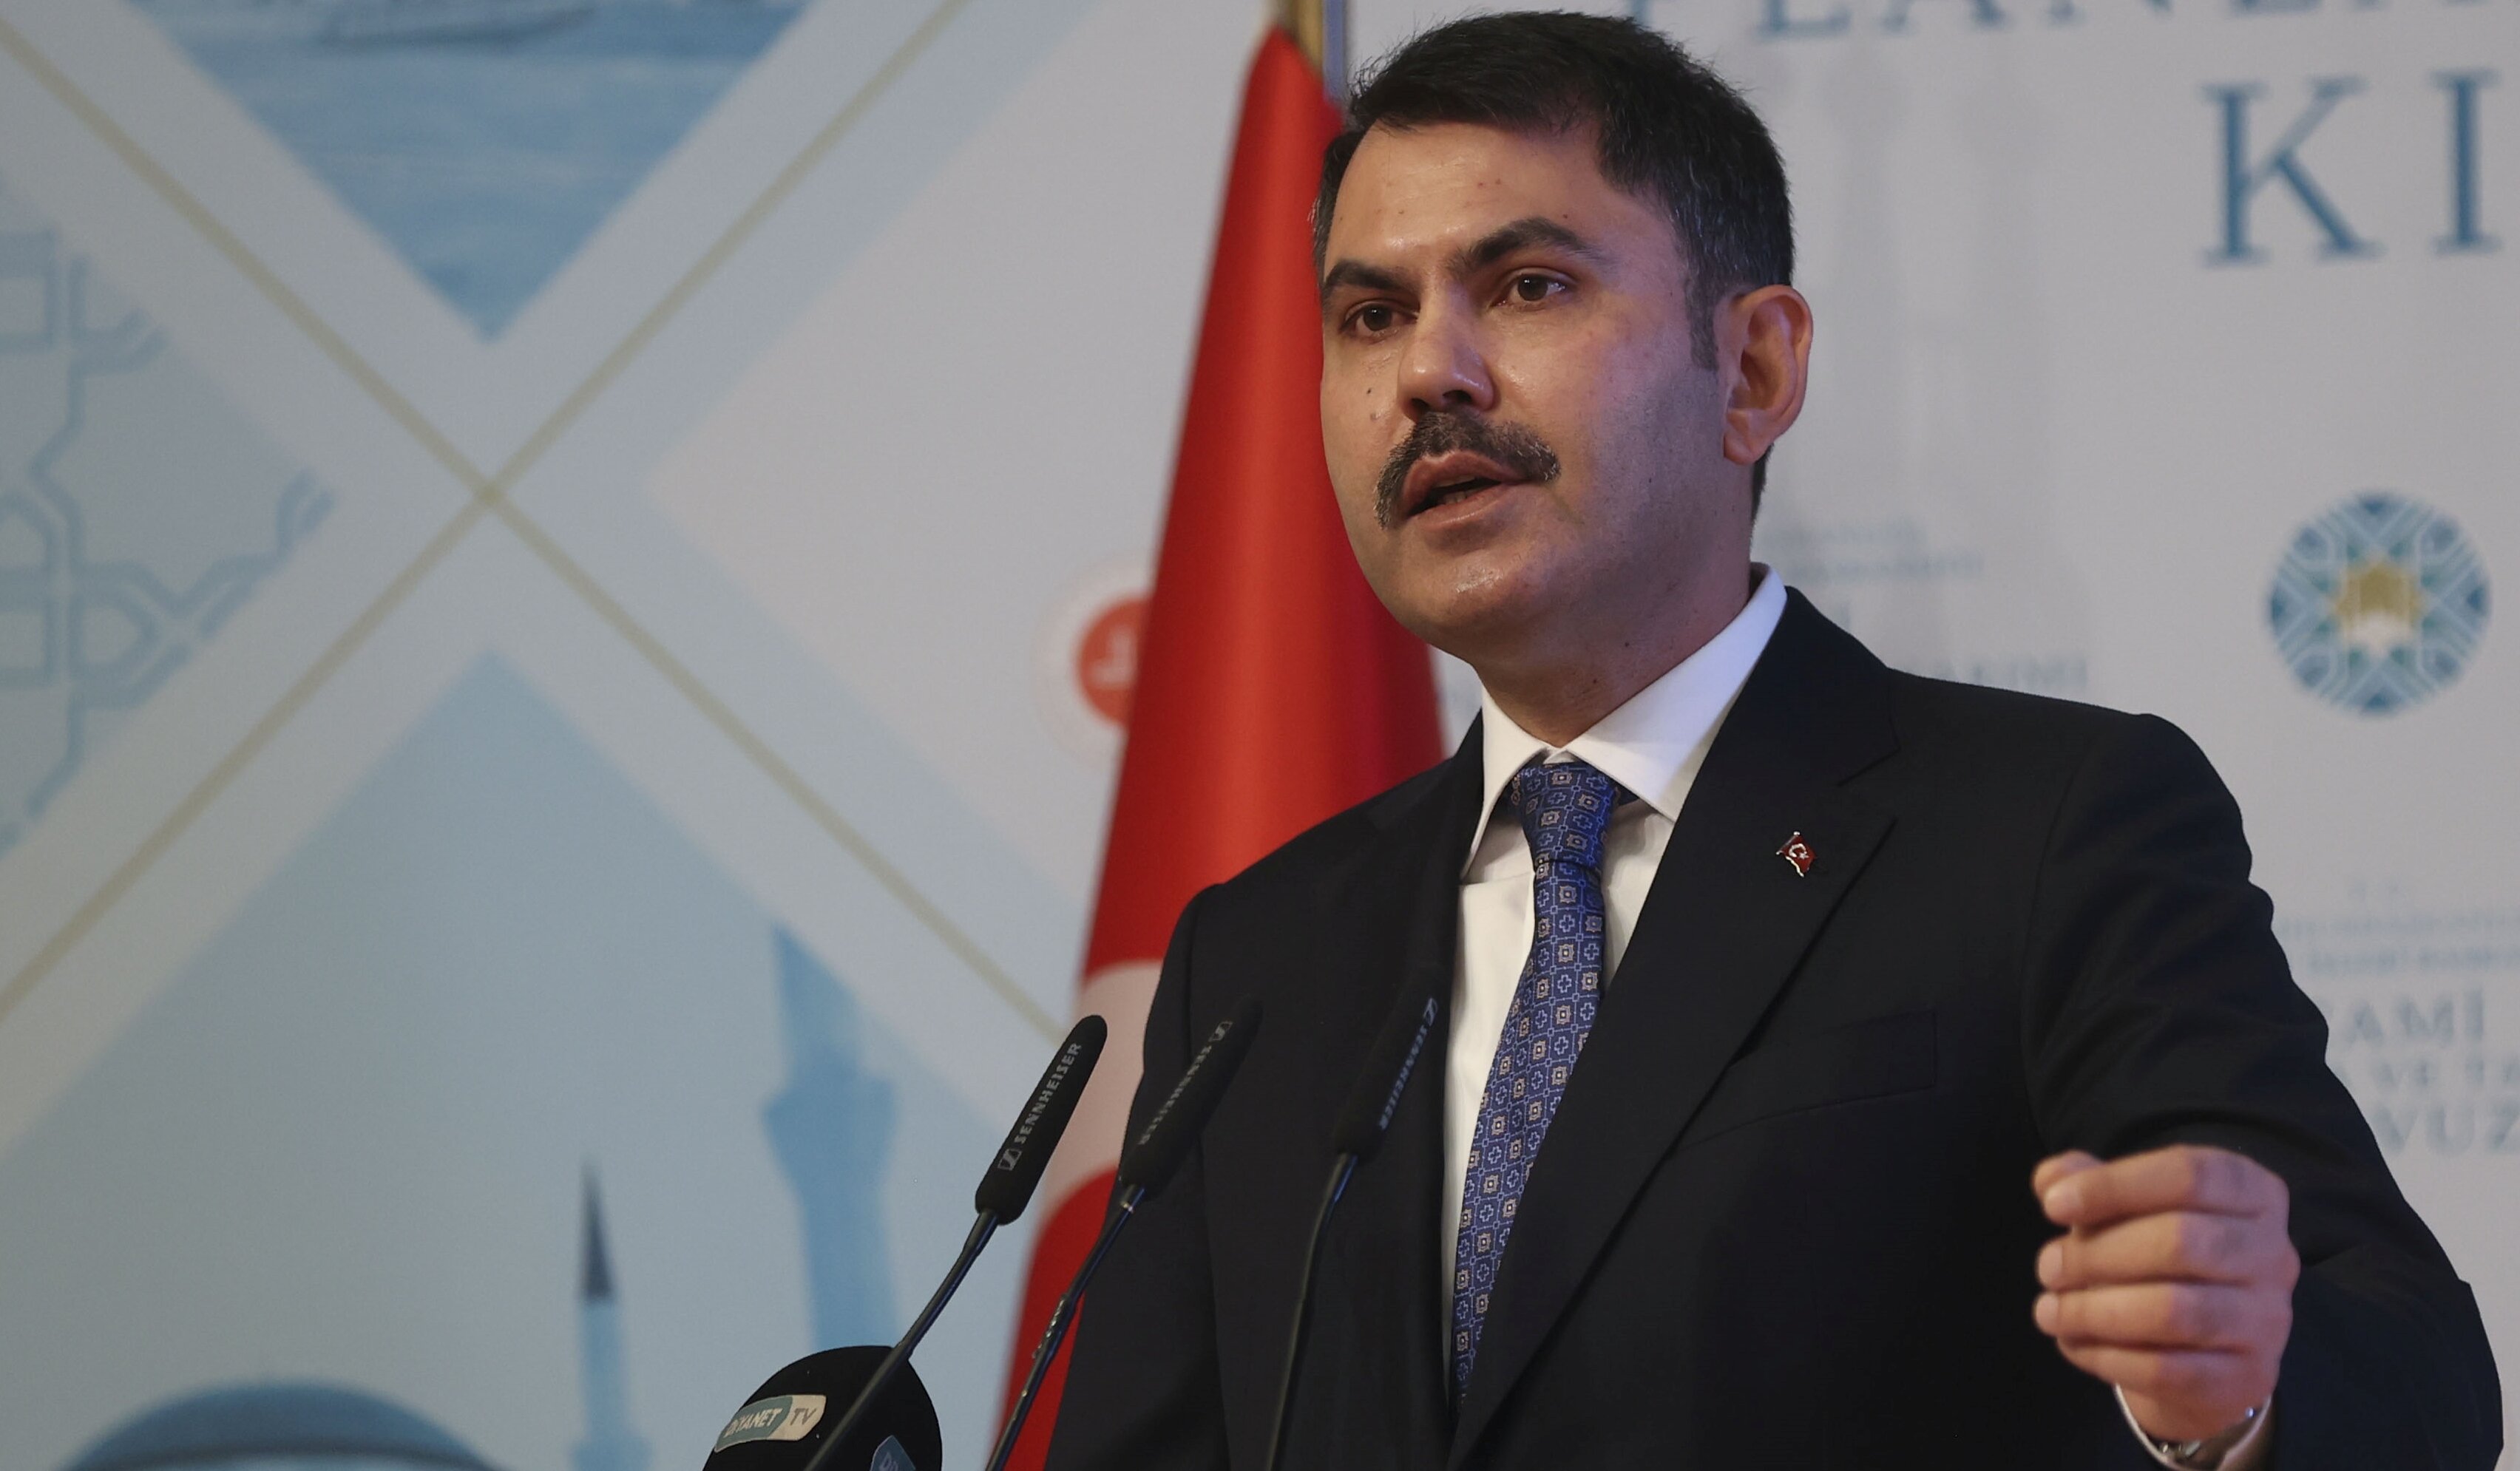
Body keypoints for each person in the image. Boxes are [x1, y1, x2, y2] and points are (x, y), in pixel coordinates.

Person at [1044, 13, 2500, 1470]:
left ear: (1752, 370)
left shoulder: (2048, 834)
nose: (1431, 371)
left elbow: (2415, 1376)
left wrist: (2238, 1391)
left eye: (1528, 285)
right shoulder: (1259, 956)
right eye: (1370, 315)